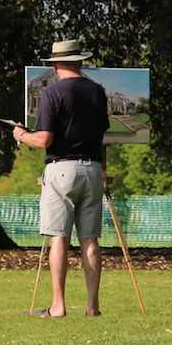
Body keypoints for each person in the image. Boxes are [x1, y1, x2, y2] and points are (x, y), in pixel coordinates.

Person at [13, 39, 109, 318]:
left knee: (59, 237)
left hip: (61, 168)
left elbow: (44, 139)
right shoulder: (98, 92)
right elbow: (102, 136)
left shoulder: (52, 93)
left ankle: (58, 305)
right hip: (92, 168)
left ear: (54, 66)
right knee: (90, 239)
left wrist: (20, 135)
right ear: (80, 61)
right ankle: (92, 307)